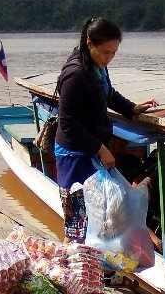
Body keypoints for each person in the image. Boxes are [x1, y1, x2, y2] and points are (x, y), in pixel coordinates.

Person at [54, 16, 158, 240]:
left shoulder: (97, 67)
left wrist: (132, 108)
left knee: (100, 220)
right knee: (79, 224)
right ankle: (72, 268)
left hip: (90, 151)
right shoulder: (75, 75)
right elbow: (68, 123)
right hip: (75, 157)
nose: (109, 58)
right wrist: (101, 148)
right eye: (105, 52)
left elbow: (107, 93)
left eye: (113, 53)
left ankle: (97, 265)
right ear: (90, 42)